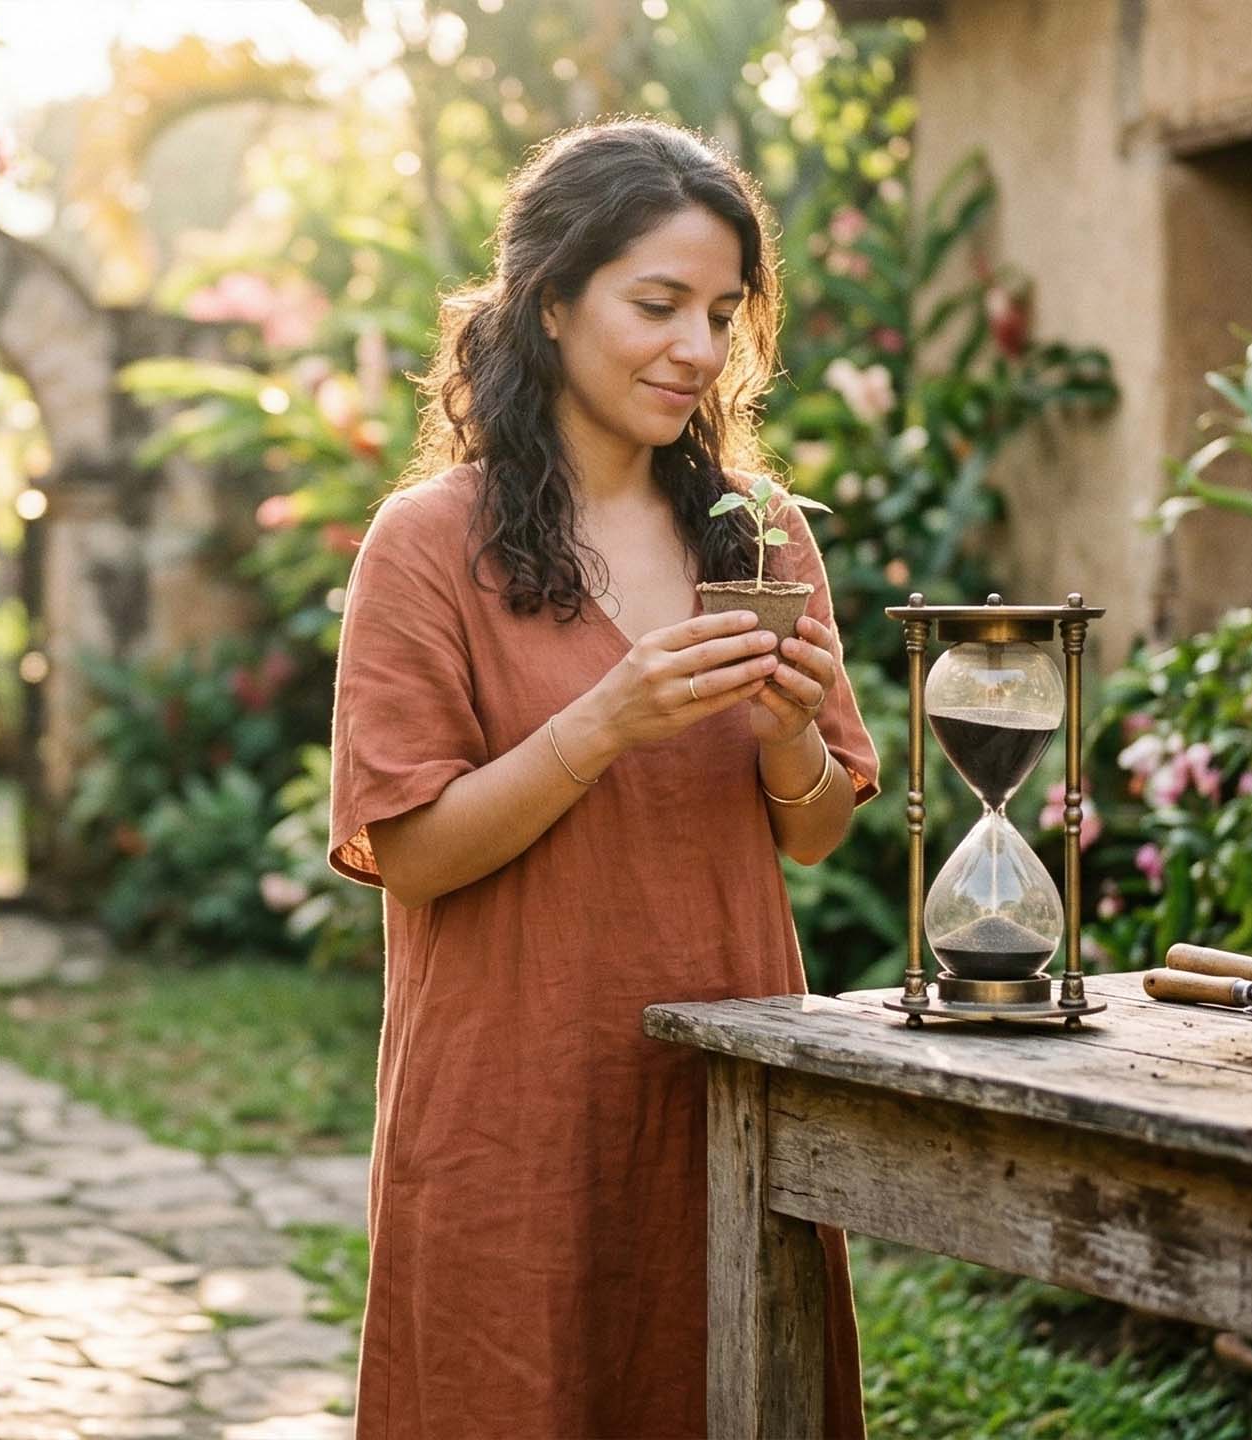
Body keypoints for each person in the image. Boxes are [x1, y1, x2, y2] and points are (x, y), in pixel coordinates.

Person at [326, 117, 882, 1438]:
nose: (698, 348)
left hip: (732, 1085)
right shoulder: (426, 545)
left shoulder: (759, 530)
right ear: (554, 302)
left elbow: (811, 834)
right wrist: (606, 720)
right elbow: (409, 850)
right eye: (658, 304)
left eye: (722, 312)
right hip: (514, 1099)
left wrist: (789, 733)